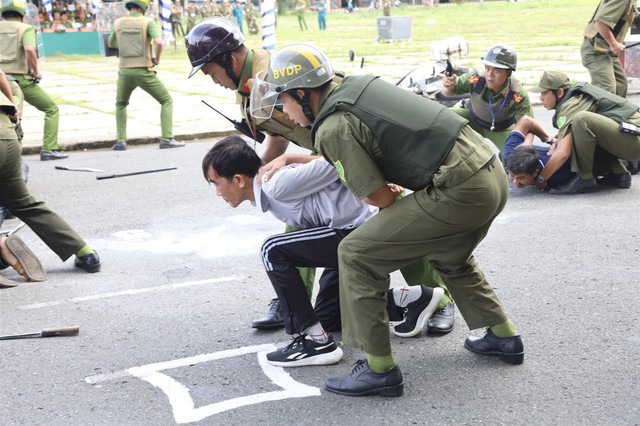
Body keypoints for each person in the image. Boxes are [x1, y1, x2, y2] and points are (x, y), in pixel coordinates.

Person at [254, 43, 524, 397]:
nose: (285, 113)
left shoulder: (332, 126)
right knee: (450, 255)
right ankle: (504, 336)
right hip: (489, 171)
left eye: (284, 101)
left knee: (355, 253)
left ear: (303, 94)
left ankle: (379, 369)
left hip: (461, 187)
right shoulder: (356, 86)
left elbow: (378, 198)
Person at [185, 18, 455, 334]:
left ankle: (439, 299)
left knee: (391, 220)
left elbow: (335, 124)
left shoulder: (277, 75)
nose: (212, 79)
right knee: (295, 223)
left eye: (211, 71)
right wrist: (257, 175)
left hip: (354, 150)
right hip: (328, 155)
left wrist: (289, 163)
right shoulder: (248, 87)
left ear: (228, 60)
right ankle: (292, 301)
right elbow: (280, 134)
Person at [202, 136, 444, 366]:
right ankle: (410, 298)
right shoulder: (271, 190)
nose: (216, 192)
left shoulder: (277, 184)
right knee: (329, 317)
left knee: (272, 250)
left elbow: (339, 159)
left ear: (238, 179)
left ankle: (315, 341)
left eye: (216, 183)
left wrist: (289, 158)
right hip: (349, 231)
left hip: (360, 232)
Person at [0, 69, 101, 278]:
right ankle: (84, 252)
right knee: (23, 202)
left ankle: (2, 252)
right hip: (8, 138)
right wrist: (13, 109)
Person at [527, 70, 640, 195]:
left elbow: (563, 153)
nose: (541, 98)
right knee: (578, 133)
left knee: (581, 120)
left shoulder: (572, 103)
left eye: (544, 93)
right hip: (630, 138)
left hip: (635, 140)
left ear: (559, 92)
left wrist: (541, 178)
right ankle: (618, 174)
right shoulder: (575, 98)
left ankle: (584, 179)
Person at [107, 0, 185, 151]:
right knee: (166, 100)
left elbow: (111, 44)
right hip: (144, 71)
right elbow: (159, 42)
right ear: (143, 8)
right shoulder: (147, 22)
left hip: (124, 71)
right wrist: (157, 59)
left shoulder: (118, 23)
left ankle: (121, 141)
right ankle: (167, 138)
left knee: (121, 104)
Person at [0, 0, 69, 161]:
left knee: (8, 118)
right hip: (20, 81)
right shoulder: (26, 28)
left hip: (1, 79)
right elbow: (30, 49)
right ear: (22, 16)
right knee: (51, 109)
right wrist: (36, 72)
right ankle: (48, 149)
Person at [441, 44, 533, 153]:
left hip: (501, 130)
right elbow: (450, 92)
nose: (490, 74)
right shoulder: (475, 78)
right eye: (487, 68)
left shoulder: (517, 93)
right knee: (441, 117)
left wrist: (526, 145)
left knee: (513, 159)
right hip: (472, 120)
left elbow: (529, 125)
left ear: (508, 73)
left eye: (497, 70)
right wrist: (448, 86)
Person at [581, 0, 639, 98]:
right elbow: (600, 22)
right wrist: (613, 44)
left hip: (606, 51)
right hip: (596, 51)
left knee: (620, 85)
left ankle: (615, 113)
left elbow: (632, 18)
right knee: (606, 89)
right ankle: (590, 112)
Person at [503, 116, 575, 191]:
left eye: (521, 178)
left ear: (535, 173)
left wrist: (559, 143)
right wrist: (547, 139)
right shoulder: (509, 152)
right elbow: (526, 121)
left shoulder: (555, 177)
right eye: (511, 175)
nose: (515, 181)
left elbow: (568, 148)